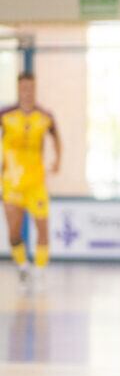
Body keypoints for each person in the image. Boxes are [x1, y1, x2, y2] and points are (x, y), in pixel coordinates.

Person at [1, 72, 61, 285]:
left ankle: (41, 272)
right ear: (18, 89)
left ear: (35, 89)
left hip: (36, 183)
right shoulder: (5, 114)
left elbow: (56, 136)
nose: (27, 92)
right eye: (23, 88)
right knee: (14, 232)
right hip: (11, 184)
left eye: (31, 88)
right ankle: (23, 267)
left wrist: (57, 161)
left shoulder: (45, 116)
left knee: (42, 227)